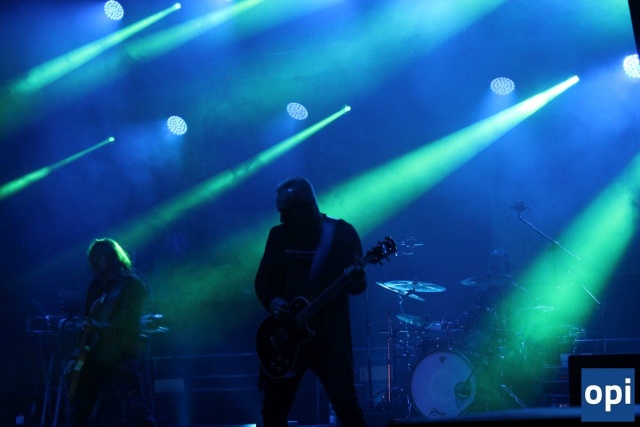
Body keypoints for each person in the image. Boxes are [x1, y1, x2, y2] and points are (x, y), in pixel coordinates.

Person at [255, 176, 368, 427]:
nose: (281, 218)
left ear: (307, 205)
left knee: (348, 410)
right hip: (286, 337)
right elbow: (262, 280)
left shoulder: (341, 234)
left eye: (286, 211)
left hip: (330, 340)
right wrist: (272, 301)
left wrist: (358, 277)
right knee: (273, 413)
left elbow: (358, 288)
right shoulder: (278, 236)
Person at [66, 237, 156, 427]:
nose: (95, 261)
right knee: (80, 411)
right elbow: (87, 322)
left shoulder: (133, 284)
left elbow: (128, 324)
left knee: (136, 409)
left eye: (99, 256)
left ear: (113, 257)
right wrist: (76, 355)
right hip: (95, 355)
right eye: (93, 257)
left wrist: (98, 327)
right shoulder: (96, 285)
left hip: (123, 354)